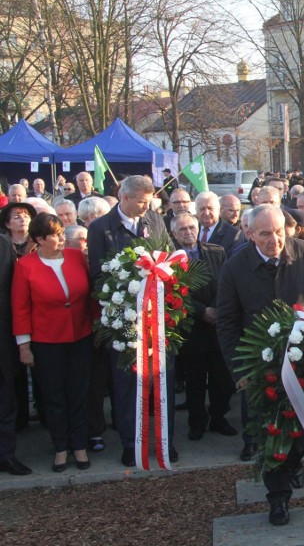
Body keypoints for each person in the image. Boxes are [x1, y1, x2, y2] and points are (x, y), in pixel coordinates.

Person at [217, 204, 304, 526]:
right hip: (260, 365)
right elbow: (226, 323)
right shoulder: (234, 267)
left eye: (280, 232)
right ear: (249, 233)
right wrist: (238, 372)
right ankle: (278, 498)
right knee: (268, 430)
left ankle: (294, 461)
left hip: (303, 356)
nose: (275, 240)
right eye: (266, 234)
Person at [88, 175, 171, 467]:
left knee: (160, 375)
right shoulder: (100, 228)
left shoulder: (154, 220)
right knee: (126, 378)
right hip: (124, 317)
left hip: (157, 314)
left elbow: (168, 257)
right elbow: (97, 275)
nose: (146, 208)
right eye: (141, 202)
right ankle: (130, 441)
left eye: (149, 203)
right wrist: (130, 285)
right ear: (124, 198)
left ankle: (164, 440)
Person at [12, 213, 93, 472]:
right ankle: (60, 447)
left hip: (81, 337)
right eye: (55, 235)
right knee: (54, 396)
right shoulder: (25, 265)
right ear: (39, 239)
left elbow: (91, 295)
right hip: (47, 342)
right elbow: (20, 308)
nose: (61, 239)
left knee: (79, 393)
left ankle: (79, 445)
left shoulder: (76, 257)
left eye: (61, 233)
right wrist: (24, 346)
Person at [170, 213, 236, 441]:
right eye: (182, 230)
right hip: (192, 329)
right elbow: (174, 293)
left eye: (191, 227)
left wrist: (217, 308)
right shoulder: (171, 259)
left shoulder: (216, 252)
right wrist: (202, 311)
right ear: (174, 234)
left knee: (222, 380)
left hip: (219, 326)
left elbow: (228, 282)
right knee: (195, 381)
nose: (188, 232)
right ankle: (196, 423)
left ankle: (218, 417)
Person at [0, 234, 31, 476]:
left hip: (2, 338)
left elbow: (13, 291)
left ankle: (5, 456)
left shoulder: (2, 243)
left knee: (5, 401)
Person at [196, 192, 239, 257]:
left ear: (219, 210)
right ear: (196, 210)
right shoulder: (191, 229)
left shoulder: (233, 234)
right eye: (202, 209)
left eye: (210, 208)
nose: (206, 213)